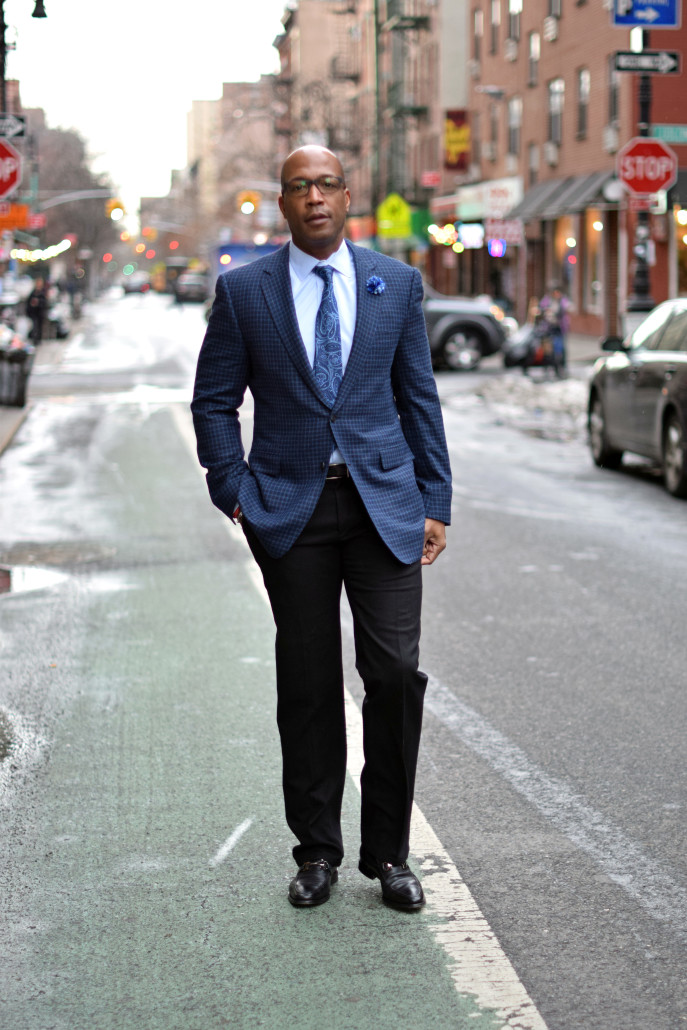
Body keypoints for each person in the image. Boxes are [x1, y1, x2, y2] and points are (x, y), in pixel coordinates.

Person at [191, 145, 452, 911]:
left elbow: (418, 398)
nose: (314, 198)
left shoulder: (395, 283)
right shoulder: (244, 293)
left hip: (384, 505)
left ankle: (388, 854)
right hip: (288, 508)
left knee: (395, 676)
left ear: (348, 196)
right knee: (306, 685)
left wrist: (435, 498)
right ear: (283, 202)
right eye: (298, 187)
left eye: (326, 185)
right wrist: (232, 487)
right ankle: (316, 853)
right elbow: (214, 402)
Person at [538, 283, 570, 375]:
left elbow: (565, 309)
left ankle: (561, 367)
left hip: (559, 328)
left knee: (560, 348)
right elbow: (542, 308)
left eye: (558, 292)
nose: (556, 294)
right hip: (549, 328)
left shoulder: (562, 301)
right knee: (548, 349)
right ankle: (548, 366)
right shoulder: (547, 300)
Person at [26, 277, 49, 343]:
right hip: (34, 313)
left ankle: (38, 339)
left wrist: (38, 302)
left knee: (39, 326)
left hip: (40, 313)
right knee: (35, 326)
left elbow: (45, 302)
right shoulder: (33, 292)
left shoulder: (43, 292)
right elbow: (28, 302)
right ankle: (35, 338)